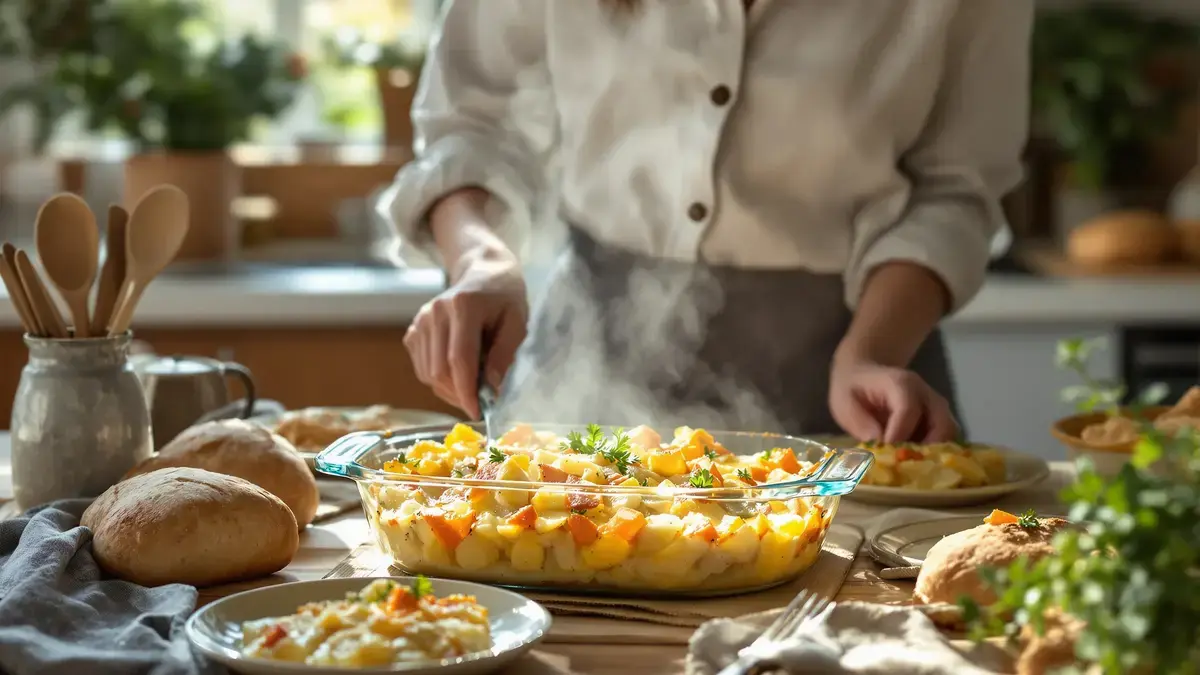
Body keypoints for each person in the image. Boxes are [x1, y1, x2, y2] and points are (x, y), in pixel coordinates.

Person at [382, 0, 1031, 443]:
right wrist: (482, 263)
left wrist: (871, 353)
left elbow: (955, 185)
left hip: (852, 379)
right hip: (581, 361)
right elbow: (470, 125)